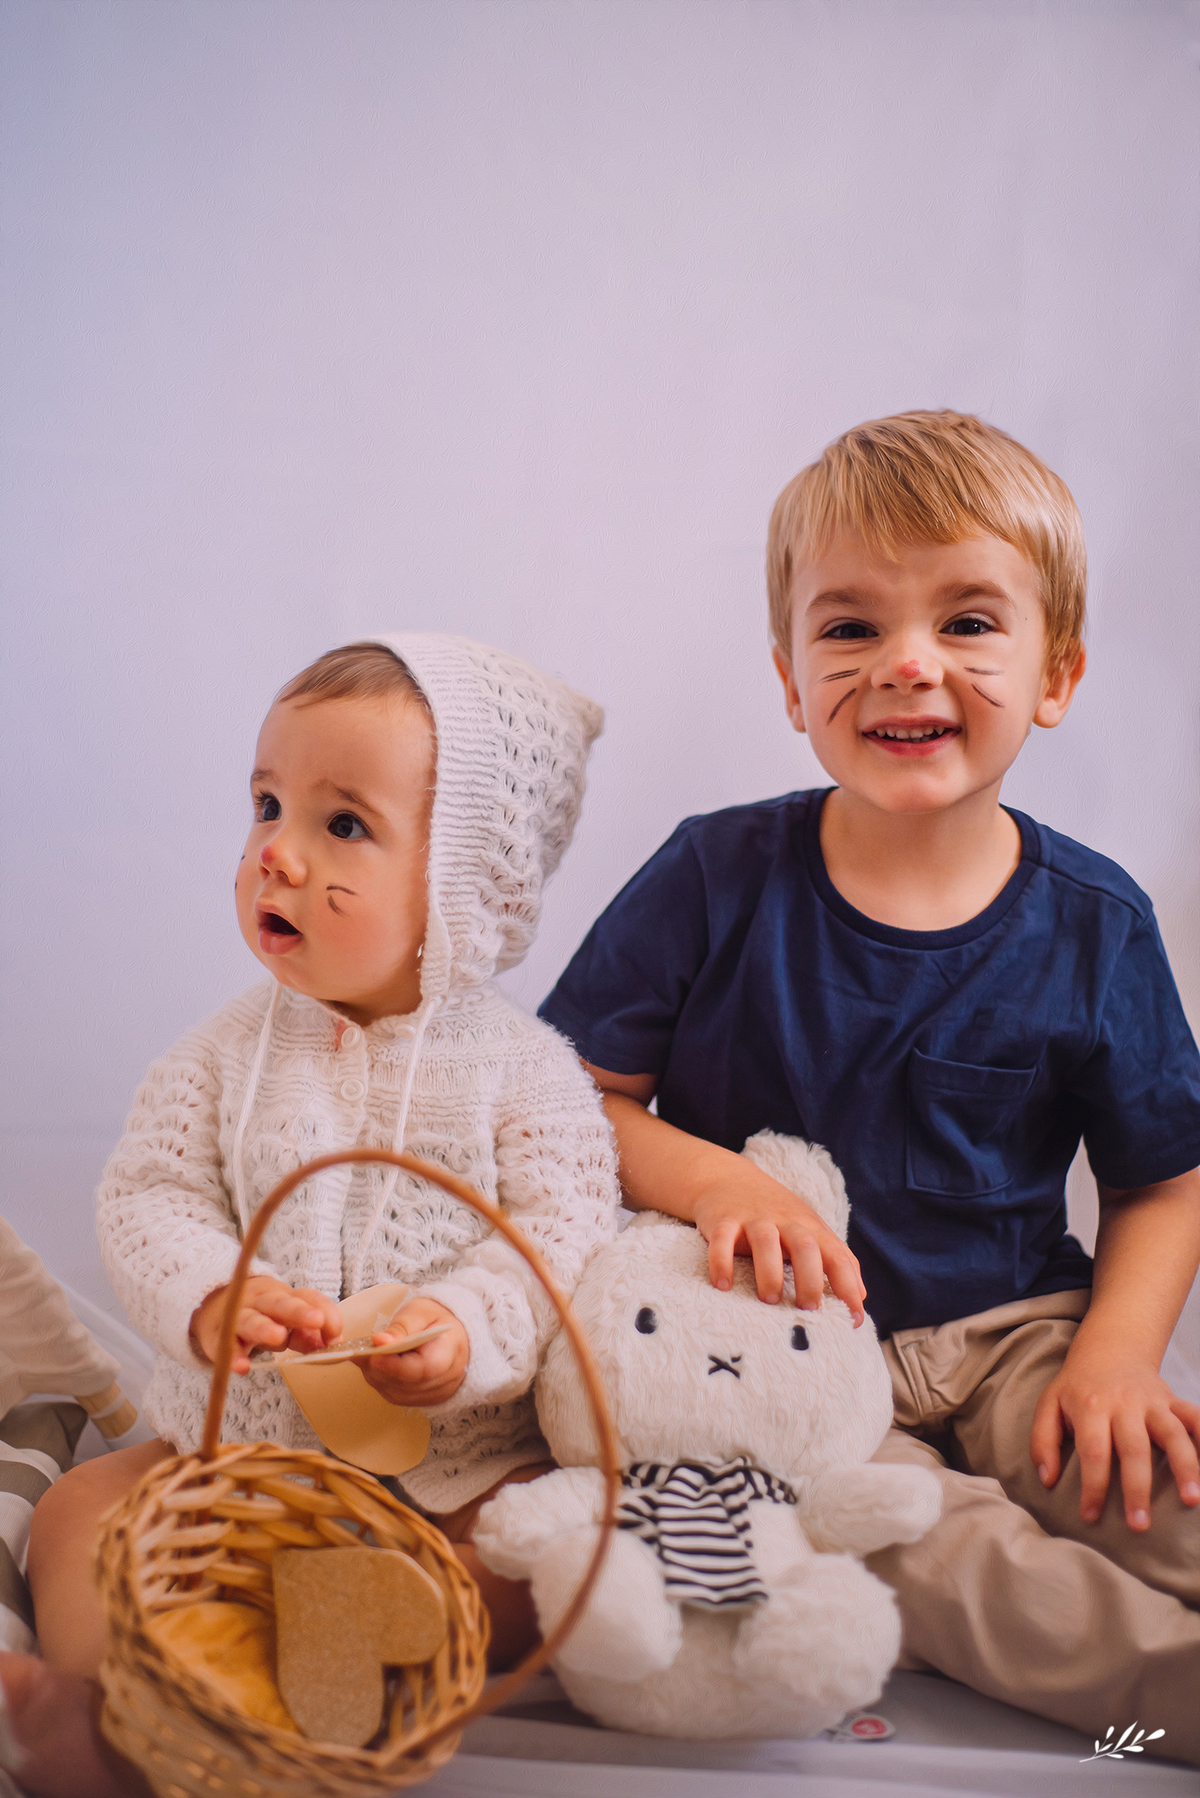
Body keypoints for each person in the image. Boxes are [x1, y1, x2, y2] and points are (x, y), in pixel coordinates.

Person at [539, 411, 1200, 1762]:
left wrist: (1116, 1357)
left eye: (968, 620)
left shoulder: (1096, 920)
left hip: (1019, 1326)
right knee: (949, 1562)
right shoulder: (713, 876)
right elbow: (562, 1104)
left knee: (1154, 1485)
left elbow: (1161, 1179)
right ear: (789, 679)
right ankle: (1172, 1702)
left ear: (1057, 671)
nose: (909, 663)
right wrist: (713, 1176)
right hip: (785, 1357)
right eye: (849, 629)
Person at [1, 633, 618, 1797]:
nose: (275, 852)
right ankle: (122, 1708)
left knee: (533, 1549)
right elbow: (150, 1193)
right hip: (233, 1450)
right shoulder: (227, 1051)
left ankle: (300, 1707)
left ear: (467, 885)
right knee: (82, 1506)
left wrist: (462, 1329)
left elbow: (563, 1240)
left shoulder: (529, 1074)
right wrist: (207, 1294)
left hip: (445, 1473)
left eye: (342, 825)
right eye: (266, 803)